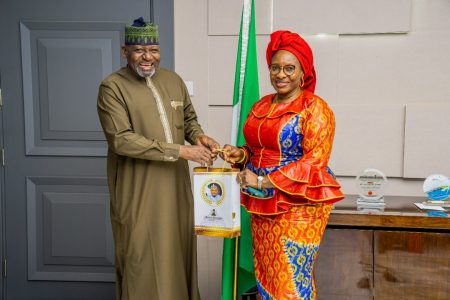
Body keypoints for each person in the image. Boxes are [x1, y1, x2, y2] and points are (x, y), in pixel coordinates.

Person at [97, 17, 219, 300]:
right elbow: (121, 139)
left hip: (176, 186)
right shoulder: (112, 87)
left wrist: (199, 137)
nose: (147, 57)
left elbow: (188, 119)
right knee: (141, 254)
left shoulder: (173, 80)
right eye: (139, 50)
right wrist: (181, 151)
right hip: (138, 187)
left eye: (153, 49)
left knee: (177, 250)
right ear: (124, 52)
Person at [221, 30, 344, 299]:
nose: (281, 74)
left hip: (299, 203)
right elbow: (257, 150)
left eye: (289, 68)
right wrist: (239, 155)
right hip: (261, 201)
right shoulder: (262, 105)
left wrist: (264, 180)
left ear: (303, 72)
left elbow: (314, 161)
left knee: (289, 279)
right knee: (266, 275)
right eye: (275, 68)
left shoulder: (315, 108)